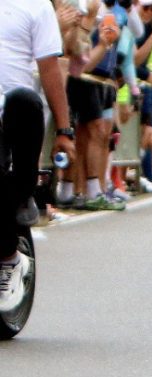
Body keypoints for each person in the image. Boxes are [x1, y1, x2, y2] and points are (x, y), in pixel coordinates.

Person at [0, 0, 77, 312]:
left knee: (23, 98)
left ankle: (9, 258)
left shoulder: (35, 6)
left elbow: (49, 69)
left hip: (14, 116)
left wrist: (64, 130)